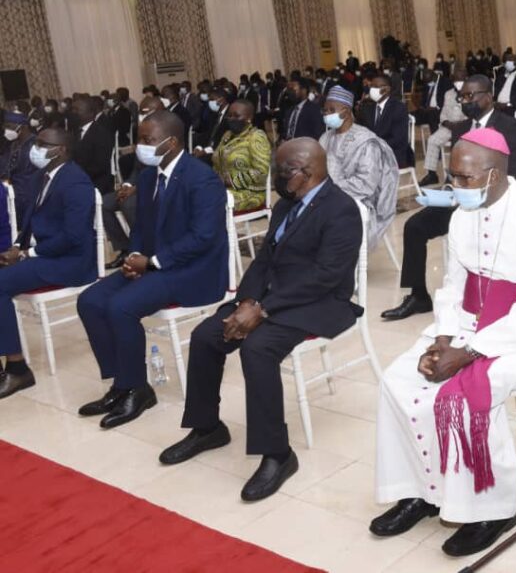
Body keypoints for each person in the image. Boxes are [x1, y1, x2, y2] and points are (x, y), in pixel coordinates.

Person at [371, 127, 516, 557]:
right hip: (468, 319)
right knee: (397, 380)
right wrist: (443, 340)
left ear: (494, 174)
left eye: (464, 177)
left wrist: (467, 354)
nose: (455, 185)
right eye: (452, 176)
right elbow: (453, 287)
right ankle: (421, 490)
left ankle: (494, 510)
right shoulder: (462, 216)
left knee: (465, 397)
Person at [160, 138, 362, 501]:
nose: (276, 177)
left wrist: (265, 309)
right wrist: (247, 301)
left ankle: (278, 454)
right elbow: (265, 259)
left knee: (257, 348)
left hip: (318, 301)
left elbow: (326, 276)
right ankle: (207, 428)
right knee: (206, 336)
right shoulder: (287, 204)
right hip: (271, 295)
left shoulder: (341, 210)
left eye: (283, 171)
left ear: (307, 171)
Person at [76, 111, 228, 429]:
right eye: (139, 138)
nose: (140, 145)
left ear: (171, 143)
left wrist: (153, 262)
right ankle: (121, 383)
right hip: (154, 264)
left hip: (194, 270)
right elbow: (142, 228)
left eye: (147, 140)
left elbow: (204, 236)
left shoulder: (202, 178)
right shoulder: (148, 178)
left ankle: (138, 389)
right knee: (89, 301)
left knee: (120, 307)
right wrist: (134, 255)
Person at [381, 76, 516, 322]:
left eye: (471, 96)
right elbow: (455, 173)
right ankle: (418, 295)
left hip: (493, 205)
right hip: (460, 202)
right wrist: (446, 191)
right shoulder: (461, 129)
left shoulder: (510, 127)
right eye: (462, 97)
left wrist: (477, 196)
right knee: (414, 226)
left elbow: (515, 177)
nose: (465, 101)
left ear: (488, 97)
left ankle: (487, 295)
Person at [0, 128, 99, 399]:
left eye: (43, 144)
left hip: (70, 261)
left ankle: (18, 368)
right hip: (45, 253)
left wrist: (27, 254)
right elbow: (31, 222)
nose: (36, 148)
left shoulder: (76, 182)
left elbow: (73, 237)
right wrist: (17, 246)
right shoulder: (43, 176)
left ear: (61, 150)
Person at [319, 86, 398, 249]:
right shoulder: (325, 138)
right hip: (326, 197)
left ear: (346, 112)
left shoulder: (366, 142)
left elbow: (365, 184)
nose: (327, 114)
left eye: (331, 110)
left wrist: (329, 191)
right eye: (325, 110)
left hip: (358, 200)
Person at [102, 96, 162, 270]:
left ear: (159, 111)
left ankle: (145, 248)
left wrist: (135, 189)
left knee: (128, 204)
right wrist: (127, 184)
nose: (141, 115)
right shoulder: (142, 131)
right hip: (138, 185)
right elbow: (137, 168)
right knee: (104, 203)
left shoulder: (166, 133)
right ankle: (125, 249)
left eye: (145, 112)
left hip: (156, 187)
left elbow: (161, 172)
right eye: (140, 112)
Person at [211, 100, 272, 213]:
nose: (231, 119)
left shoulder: (256, 137)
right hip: (223, 189)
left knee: (208, 201)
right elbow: (217, 161)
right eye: (229, 115)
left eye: (236, 116)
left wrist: (232, 181)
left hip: (250, 193)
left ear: (249, 118)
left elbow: (261, 171)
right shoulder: (227, 135)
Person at [420, 67, 467, 187]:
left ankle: (454, 175)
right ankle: (432, 175)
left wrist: (461, 124)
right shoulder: (449, 93)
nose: (458, 82)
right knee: (432, 140)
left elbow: (473, 115)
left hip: (465, 127)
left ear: (466, 79)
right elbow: (443, 113)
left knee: (458, 144)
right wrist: (446, 122)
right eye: (456, 80)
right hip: (449, 126)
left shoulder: (471, 93)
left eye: (461, 79)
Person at [364, 74, 412, 167]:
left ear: (386, 89)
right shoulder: (367, 107)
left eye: (375, 87)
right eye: (371, 86)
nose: (372, 90)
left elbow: (397, 139)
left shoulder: (398, 108)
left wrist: (374, 147)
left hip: (394, 153)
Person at [71, 96, 116, 195]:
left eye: (77, 110)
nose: (73, 112)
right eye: (73, 109)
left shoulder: (101, 134)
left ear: (90, 113)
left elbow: (99, 166)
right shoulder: (76, 132)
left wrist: (75, 176)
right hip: (78, 179)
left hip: (96, 183)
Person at [0, 112, 37, 230]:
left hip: (26, 194)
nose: (6, 130)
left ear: (23, 126)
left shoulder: (34, 145)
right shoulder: (12, 143)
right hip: (11, 192)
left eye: (9, 126)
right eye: (5, 126)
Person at [281, 78, 324, 142]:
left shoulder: (314, 110)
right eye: (288, 90)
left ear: (303, 90)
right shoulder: (289, 111)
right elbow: (286, 133)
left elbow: (318, 135)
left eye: (292, 89)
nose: (289, 93)